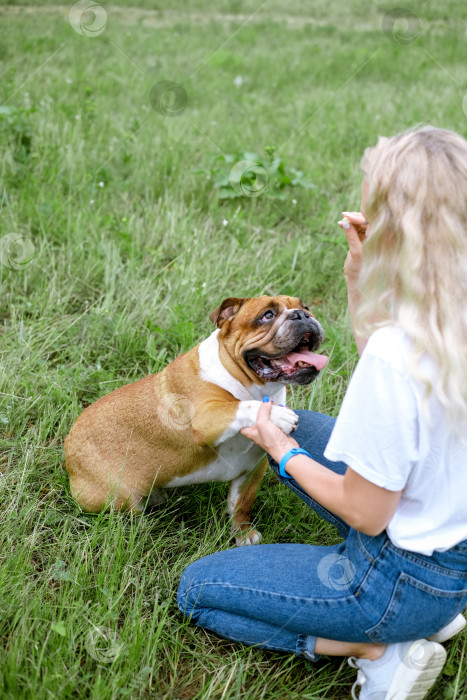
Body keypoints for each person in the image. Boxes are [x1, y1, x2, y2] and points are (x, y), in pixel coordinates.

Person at [177, 126, 467, 699]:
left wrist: (281, 453)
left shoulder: (395, 355)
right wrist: (360, 279)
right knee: (306, 423)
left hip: (392, 581)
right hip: (453, 548)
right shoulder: (443, 319)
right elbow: (395, 373)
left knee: (197, 589)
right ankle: (436, 610)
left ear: (392, 224)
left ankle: (378, 648)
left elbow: (366, 513)